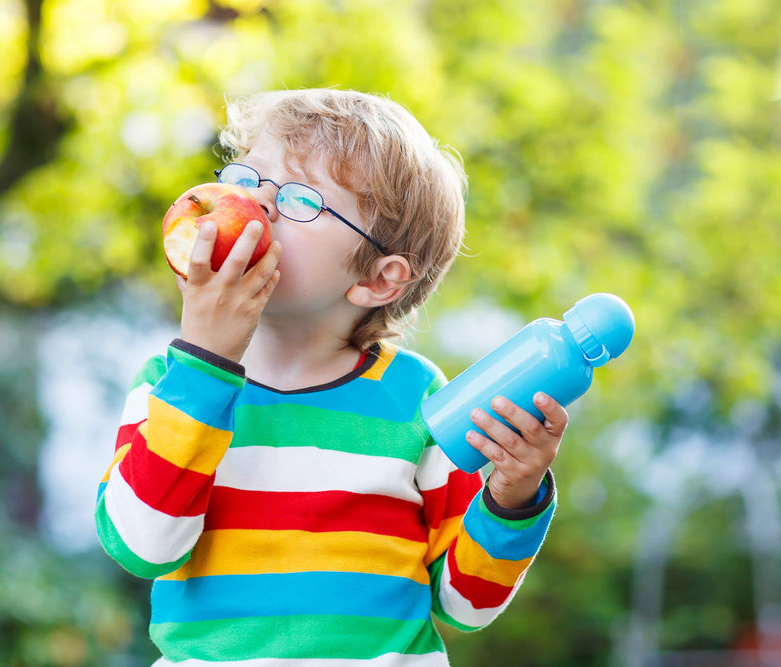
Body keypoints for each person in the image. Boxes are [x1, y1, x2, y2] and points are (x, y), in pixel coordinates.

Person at [96, 88, 567, 665]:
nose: (256, 205)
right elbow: (144, 547)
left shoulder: (415, 398)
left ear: (377, 279)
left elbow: (465, 605)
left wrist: (512, 497)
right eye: (246, 178)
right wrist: (206, 361)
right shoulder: (171, 385)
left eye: (300, 200)